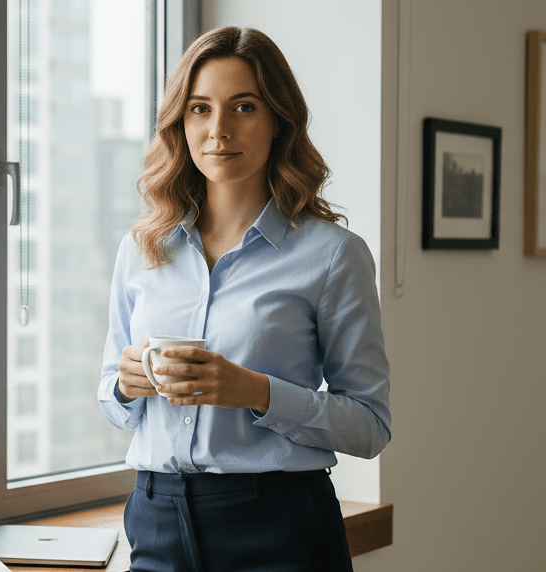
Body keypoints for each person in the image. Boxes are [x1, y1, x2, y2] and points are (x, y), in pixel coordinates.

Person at [98, 26, 390, 572]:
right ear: (179, 124)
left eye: (244, 107)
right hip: (156, 520)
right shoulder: (142, 249)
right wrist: (124, 382)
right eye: (200, 109)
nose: (218, 131)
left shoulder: (332, 256)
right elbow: (111, 403)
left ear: (279, 119)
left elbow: (370, 426)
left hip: (279, 527)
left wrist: (255, 391)